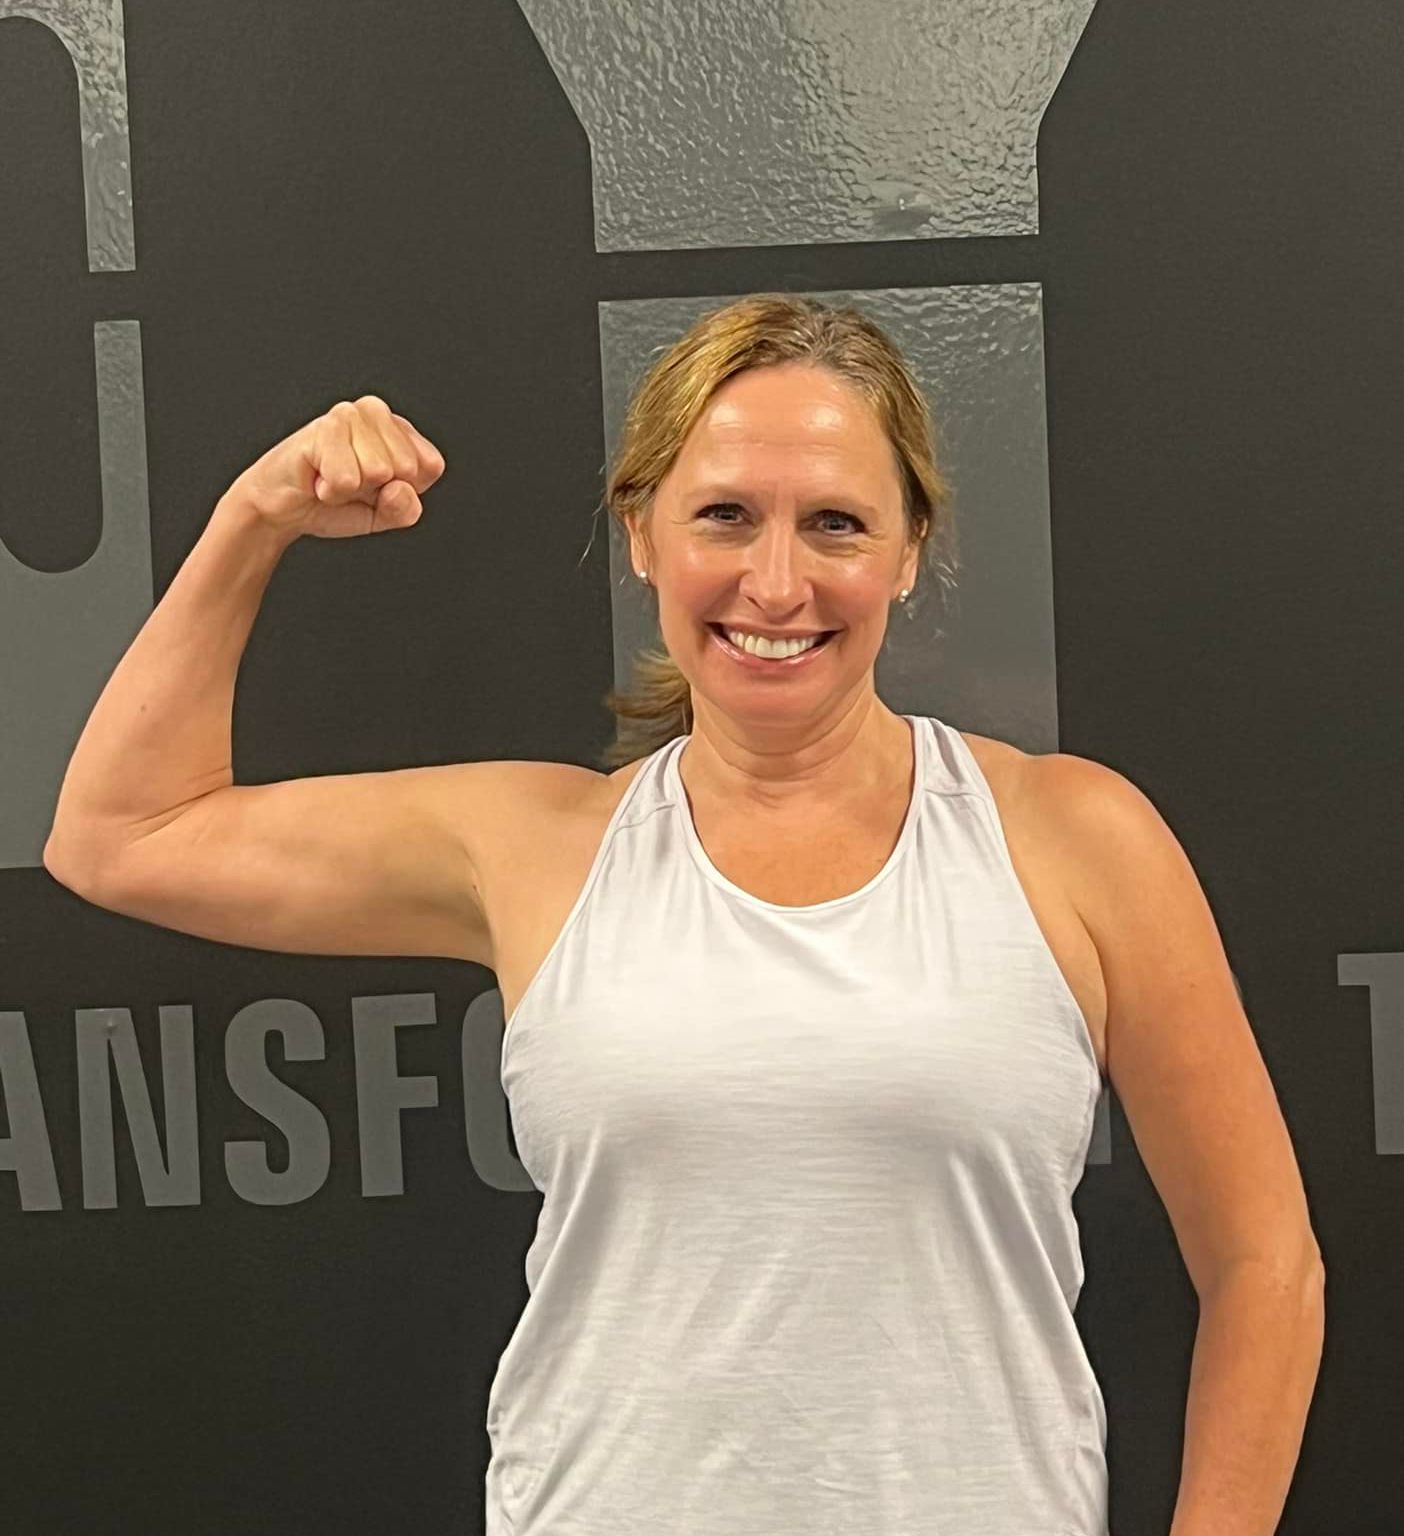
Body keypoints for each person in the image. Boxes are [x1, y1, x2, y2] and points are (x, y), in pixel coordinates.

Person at [44, 294, 1322, 1535]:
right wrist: (254, 519)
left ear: (909, 550)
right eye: (725, 516)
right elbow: (120, 835)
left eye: (835, 524)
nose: (776, 583)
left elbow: (1266, 1262)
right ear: (642, 534)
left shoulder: (1073, 838)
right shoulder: (537, 849)